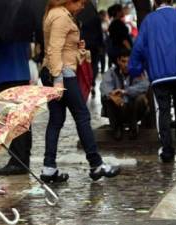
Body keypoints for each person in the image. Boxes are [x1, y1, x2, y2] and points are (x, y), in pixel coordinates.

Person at [40, 0, 120, 183]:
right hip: (63, 74)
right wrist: (59, 80)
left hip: (55, 72)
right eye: (81, 3)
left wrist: (78, 49)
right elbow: (54, 50)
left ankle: (49, 167)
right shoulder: (60, 16)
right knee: (82, 116)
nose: (82, 7)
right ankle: (96, 164)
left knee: (56, 120)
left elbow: (61, 48)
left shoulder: (55, 14)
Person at [128, 0, 176, 163]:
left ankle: (167, 150)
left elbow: (139, 47)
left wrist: (135, 69)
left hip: (159, 75)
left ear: (155, 2)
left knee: (163, 110)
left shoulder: (149, 20)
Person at [0, 33, 33, 178]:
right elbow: (29, 53)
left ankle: (17, 161)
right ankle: (23, 158)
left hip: (4, 74)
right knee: (23, 117)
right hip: (22, 73)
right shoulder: (25, 19)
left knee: (11, 119)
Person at [100, 48, 149, 141]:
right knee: (107, 98)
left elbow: (145, 85)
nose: (126, 65)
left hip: (134, 109)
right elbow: (104, 86)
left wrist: (125, 91)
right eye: (123, 61)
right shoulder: (111, 72)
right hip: (118, 109)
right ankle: (116, 129)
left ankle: (133, 127)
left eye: (129, 62)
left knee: (141, 98)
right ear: (118, 61)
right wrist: (112, 95)